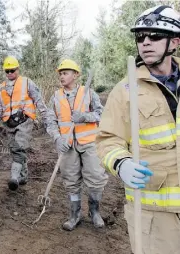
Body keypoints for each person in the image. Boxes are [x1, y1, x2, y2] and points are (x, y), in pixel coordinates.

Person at [96, 5, 180, 254]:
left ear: (174, 42)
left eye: (154, 36)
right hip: (154, 214)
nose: (145, 42)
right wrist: (121, 163)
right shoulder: (124, 91)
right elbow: (107, 140)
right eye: (140, 37)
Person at [46, 59, 108, 231]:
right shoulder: (56, 97)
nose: (61, 76)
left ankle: (94, 212)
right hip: (67, 146)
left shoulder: (88, 93)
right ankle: (75, 214)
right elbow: (50, 121)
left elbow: (102, 114)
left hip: (89, 144)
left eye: (65, 73)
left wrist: (84, 117)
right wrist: (57, 139)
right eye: (60, 73)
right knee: (71, 180)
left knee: (96, 178)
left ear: (75, 75)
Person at [0, 56, 48, 191]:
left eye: (12, 70)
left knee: (19, 147)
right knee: (15, 149)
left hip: (25, 120)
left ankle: (14, 178)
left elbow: (39, 100)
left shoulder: (27, 83)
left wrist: (46, 119)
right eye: (7, 71)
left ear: (18, 69)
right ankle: (23, 176)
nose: (10, 73)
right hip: (8, 124)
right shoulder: (2, 87)